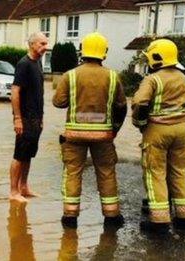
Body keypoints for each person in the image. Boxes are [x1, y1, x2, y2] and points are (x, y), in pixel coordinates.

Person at [53, 32, 127, 228]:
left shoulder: (70, 75)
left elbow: (58, 103)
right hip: (103, 136)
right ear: (104, 52)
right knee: (106, 172)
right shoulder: (113, 76)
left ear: (82, 51)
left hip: (74, 135)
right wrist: (115, 129)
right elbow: (121, 106)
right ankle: (112, 216)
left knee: (72, 172)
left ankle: (70, 216)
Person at [132, 39, 185, 234]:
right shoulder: (184, 78)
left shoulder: (153, 79)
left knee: (155, 172)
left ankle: (159, 222)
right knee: (180, 171)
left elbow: (140, 103)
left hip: (158, 130)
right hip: (182, 129)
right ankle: (184, 219)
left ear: (156, 57)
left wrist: (140, 124)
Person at [9, 32, 48, 203]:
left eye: (46, 43)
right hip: (24, 118)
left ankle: (24, 187)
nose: (45, 47)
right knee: (20, 154)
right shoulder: (23, 64)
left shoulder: (37, 63)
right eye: (42, 44)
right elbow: (15, 91)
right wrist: (17, 118)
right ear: (32, 44)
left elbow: (38, 93)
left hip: (35, 119)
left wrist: (40, 118)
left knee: (29, 154)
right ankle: (13, 191)